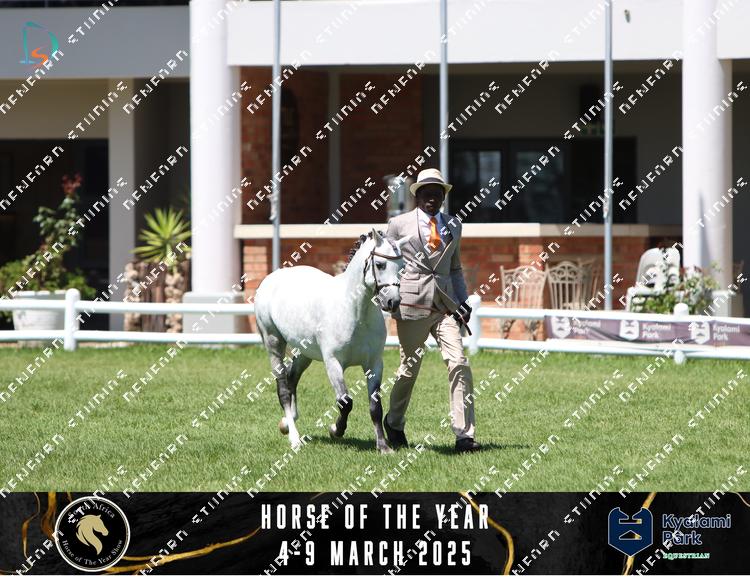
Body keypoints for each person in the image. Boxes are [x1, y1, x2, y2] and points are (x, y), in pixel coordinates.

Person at [383, 168, 480, 453]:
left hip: (445, 306)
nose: (432, 198)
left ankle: (464, 435)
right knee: (409, 369)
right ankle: (394, 422)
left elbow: (455, 268)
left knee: (459, 362)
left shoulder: (454, 225)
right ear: (417, 195)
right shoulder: (397, 224)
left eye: (437, 194)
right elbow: (389, 265)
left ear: (443, 197)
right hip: (411, 304)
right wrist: (389, 297)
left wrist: (462, 301)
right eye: (427, 193)